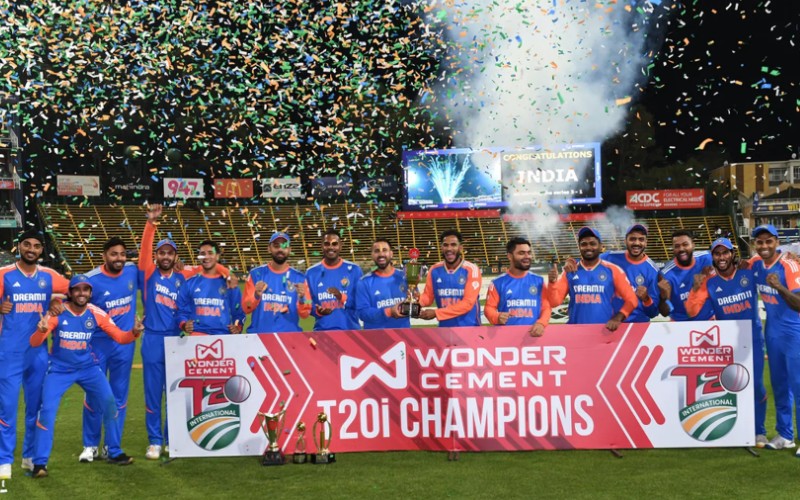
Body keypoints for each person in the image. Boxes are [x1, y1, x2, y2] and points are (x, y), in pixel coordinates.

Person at [137, 204, 228, 459]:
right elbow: (144, 252)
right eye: (161, 252)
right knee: (153, 394)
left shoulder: (185, 276)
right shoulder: (148, 275)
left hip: (178, 341)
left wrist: (229, 274)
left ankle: (172, 439)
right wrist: (151, 224)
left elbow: (212, 267)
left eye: (170, 253)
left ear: (176, 256)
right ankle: (155, 441)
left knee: (176, 393)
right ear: (156, 255)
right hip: (153, 339)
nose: (166, 256)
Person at [29, 275, 143, 478]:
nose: (81, 293)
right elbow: (35, 342)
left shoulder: (96, 313)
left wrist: (134, 332)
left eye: (85, 290)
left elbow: (120, 337)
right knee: (47, 411)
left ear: (90, 293)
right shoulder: (58, 312)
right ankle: (39, 463)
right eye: (77, 289)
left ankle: (114, 451)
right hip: (59, 370)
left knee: (110, 403)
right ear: (70, 293)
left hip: (88, 368)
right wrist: (41, 331)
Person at [685, 238, 767, 447]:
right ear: (713, 257)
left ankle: (759, 431)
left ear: (732, 254)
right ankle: (736, 431)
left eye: (725, 253)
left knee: (756, 386)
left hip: (753, 339)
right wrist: (695, 288)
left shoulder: (747, 272)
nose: (721, 257)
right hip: (728, 343)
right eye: (717, 253)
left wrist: (788, 256)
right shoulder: (710, 282)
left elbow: (765, 261)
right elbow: (692, 312)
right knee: (731, 387)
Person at [0, 229, 69, 479]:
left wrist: (57, 302)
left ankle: (29, 457)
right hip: (9, 352)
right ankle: (4, 460)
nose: (31, 249)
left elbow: (77, 290)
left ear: (41, 250)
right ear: (18, 247)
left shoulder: (49, 275)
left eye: (37, 246)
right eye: (27, 244)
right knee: (7, 408)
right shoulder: (4, 274)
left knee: (35, 408)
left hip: (38, 353)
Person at [79, 236, 139, 463]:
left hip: (124, 345)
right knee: (95, 394)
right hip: (97, 346)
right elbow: (70, 302)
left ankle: (112, 447)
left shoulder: (132, 271)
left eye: (122, 254)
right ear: (104, 256)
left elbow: (158, 269)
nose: (119, 258)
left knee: (119, 397)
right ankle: (90, 446)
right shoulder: (91, 280)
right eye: (114, 254)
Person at [749, 224, 800, 452]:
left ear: (777, 242)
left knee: (798, 385)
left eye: (769, 241)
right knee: (779, 386)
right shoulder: (755, 263)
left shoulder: (789, 265)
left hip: (794, 332)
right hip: (772, 332)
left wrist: (779, 287)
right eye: (760, 242)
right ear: (755, 245)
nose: (764, 246)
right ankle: (785, 435)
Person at [547, 227, 638, 331]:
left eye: (592, 243)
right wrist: (552, 283)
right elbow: (554, 302)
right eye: (584, 244)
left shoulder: (613, 270)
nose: (588, 247)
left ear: (600, 246)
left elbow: (632, 300)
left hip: (604, 331)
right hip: (575, 331)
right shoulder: (570, 270)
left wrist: (618, 318)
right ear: (579, 247)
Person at [242, 232, 311, 333]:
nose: (280, 249)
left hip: (289, 337)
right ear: (269, 248)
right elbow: (245, 307)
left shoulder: (300, 278)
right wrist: (256, 296)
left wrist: (302, 299)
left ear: (289, 249)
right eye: (276, 246)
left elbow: (306, 313)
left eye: (284, 246)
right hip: (260, 337)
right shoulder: (256, 274)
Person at [484, 237, 551, 336]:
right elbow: (489, 308)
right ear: (510, 256)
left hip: (533, 337)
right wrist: (497, 317)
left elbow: (546, 307)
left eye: (529, 253)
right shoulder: (497, 283)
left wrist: (541, 323)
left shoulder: (539, 281)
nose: (527, 256)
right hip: (506, 337)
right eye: (521, 253)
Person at [176, 240, 245, 336]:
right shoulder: (190, 283)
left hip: (223, 336)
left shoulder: (230, 283)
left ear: (217, 256)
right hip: (198, 336)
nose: (206, 257)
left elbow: (238, 312)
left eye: (210, 253)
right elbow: (181, 311)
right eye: (202, 254)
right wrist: (184, 324)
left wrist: (238, 326)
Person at [418, 230, 482, 326]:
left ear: (460, 248)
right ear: (441, 248)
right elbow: (428, 297)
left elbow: (467, 303)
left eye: (453, 245)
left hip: (469, 328)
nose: (449, 249)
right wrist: (416, 302)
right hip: (445, 328)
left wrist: (437, 313)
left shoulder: (472, 270)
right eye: (445, 245)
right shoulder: (434, 269)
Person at [600, 224, 661, 323]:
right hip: (609, 324)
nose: (636, 243)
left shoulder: (653, 271)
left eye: (641, 239)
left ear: (646, 243)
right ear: (625, 241)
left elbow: (653, 313)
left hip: (638, 326)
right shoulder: (610, 257)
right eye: (632, 239)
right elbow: (587, 262)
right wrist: (574, 263)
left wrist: (646, 299)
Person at [305, 229, 362, 331]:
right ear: (322, 246)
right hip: (322, 333)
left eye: (334, 244)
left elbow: (361, 302)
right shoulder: (311, 273)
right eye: (327, 244)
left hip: (350, 332)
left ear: (340, 246)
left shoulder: (354, 270)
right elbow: (307, 304)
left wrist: (341, 297)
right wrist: (317, 310)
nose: (331, 247)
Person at [658, 230, 714, 321]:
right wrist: (663, 298)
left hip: (709, 319)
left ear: (693, 245)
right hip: (681, 323)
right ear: (673, 249)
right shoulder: (667, 274)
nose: (681, 249)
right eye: (677, 246)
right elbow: (666, 312)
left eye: (685, 244)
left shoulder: (707, 258)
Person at [356, 238, 410, 329]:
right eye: (377, 251)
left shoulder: (405, 277)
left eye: (384, 250)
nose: (381, 254)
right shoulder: (364, 282)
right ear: (372, 255)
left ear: (391, 253)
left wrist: (417, 298)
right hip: (377, 336)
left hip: (403, 334)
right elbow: (362, 313)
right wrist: (388, 312)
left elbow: (414, 302)